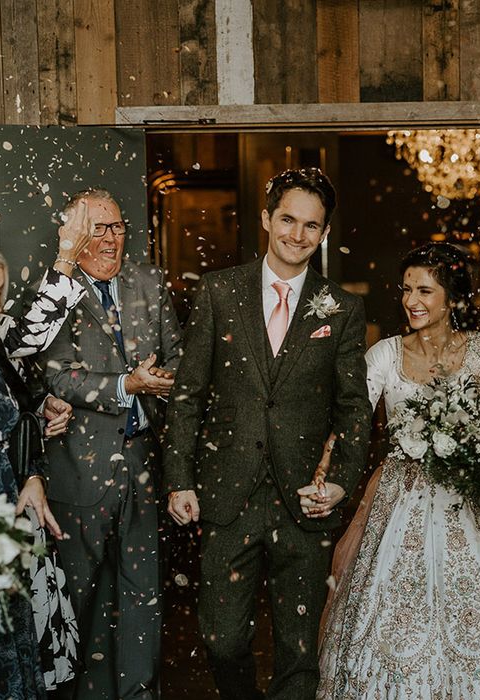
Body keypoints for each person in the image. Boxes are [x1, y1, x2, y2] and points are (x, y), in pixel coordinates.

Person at [163, 168, 372, 700]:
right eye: (288, 220)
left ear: (324, 233)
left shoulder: (342, 308)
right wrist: (179, 478)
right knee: (222, 638)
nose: (297, 235)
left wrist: (342, 483)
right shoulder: (218, 291)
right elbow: (187, 394)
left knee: (299, 654)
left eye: (311, 225)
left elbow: (353, 408)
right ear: (266, 219)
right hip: (228, 492)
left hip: (305, 501)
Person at [315, 242, 480, 699]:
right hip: (399, 502)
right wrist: (326, 467)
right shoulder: (384, 355)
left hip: (468, 504)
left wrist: (469, 450)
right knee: (390, 613)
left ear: (452, 297)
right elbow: (349, 424)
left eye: (425, 290)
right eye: (406, 289)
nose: (411, 301)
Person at [35, 188, 182, 700]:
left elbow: (178, 356)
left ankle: (139, 694)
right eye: (97, 228)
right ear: (75, 235)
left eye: (116, 227)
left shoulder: (148, 282)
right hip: (78, 469)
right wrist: (128, 385)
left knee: (143, 596)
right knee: (78, 600)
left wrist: (165, 377)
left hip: (143, 462)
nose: (110, 239)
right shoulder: (59, 291)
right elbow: (59, 378)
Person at [0, 202, 92, 700]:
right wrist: (66, 258)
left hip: (11, 513)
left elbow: (25, 340)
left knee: (19, 642)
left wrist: (36, 414)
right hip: (1, 519)